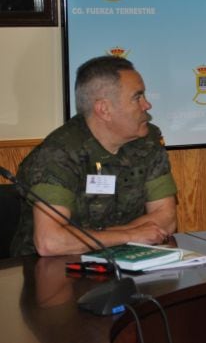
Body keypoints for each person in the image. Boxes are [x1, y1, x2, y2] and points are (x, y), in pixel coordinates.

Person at [10, 56, 178, 256]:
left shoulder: (147, 140)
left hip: (126, 259)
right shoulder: (59, 153)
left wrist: (94, 238)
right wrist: (130, 235)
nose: (147, 105)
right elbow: (51, 243)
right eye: (137, 97)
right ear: (104, 109)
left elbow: (166, 219)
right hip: (50, 272)